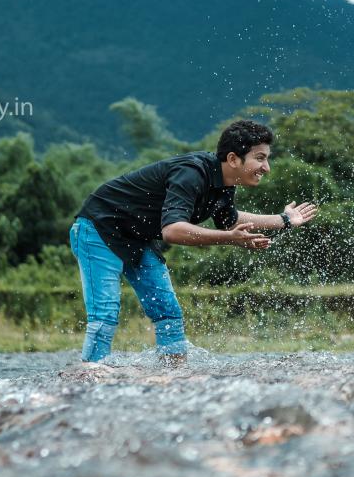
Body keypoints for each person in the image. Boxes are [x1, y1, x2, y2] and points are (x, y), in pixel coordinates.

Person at [69, 119, 319, 364]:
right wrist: (230, 239)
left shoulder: (225, 183)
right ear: (233, 159)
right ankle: (92, 373)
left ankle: (174, 374)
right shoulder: (191, 173)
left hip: (138, 237)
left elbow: (230, 221)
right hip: (99, 228)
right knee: (105, 313)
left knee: (167, 312)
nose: (267, 168)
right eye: (260, 158)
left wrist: (284, 220)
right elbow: (172, 231)